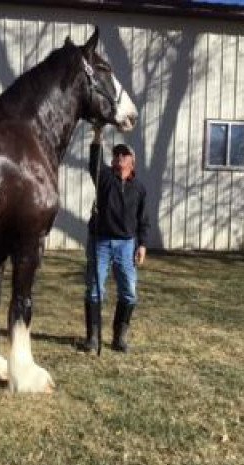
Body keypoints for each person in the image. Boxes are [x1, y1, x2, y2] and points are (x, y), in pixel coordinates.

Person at [82, 126, 149, 354]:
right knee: (94, 290)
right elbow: (94, 164)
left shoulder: (138, 188)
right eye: (116, 154)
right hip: (100, 242)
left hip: (126, 244)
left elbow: (143, 219)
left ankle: (119, 337)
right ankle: (92, 337)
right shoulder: (105, 179)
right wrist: (98, 136)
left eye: (124, 154)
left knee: (129, 292)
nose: (120, 158)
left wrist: (142, 244)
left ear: (132, 161)